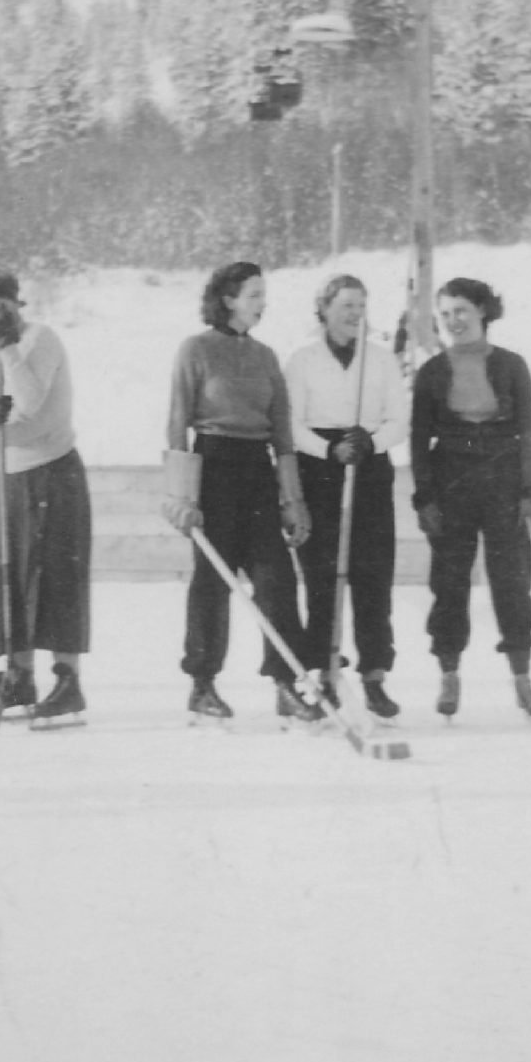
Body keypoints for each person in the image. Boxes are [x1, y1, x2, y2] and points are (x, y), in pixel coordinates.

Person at [160, 260, 316, 723]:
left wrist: (292, 501)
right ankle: (203, 684)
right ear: (228, 299)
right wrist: (181, 496)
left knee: (278, 581)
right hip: (213, 471)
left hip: (257, 473)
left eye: (263, 295)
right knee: (212, 582)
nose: (262, 303)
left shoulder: (267, 357)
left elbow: (282, 436)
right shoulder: (196, 350)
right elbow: (176, 425)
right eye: (253, 295)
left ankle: (286, 683)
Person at [409, 275, 531, 722]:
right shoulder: (432, 372)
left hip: (503, 482)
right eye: (446, 315)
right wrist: (425, 497)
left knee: (512, 583)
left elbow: (529, 431)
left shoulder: (511, 365)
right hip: (452, 484)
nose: (454, 322)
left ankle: (523, 681)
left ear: (483, 311)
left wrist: (529, 490)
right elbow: (418, 439)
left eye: (462, 312)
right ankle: (449, 676)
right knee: (449, 586)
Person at [0, 269, 93, 728]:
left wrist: (9, 350)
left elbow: (33, 400)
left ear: (14, 303)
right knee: (12, 573)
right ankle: (19, 675)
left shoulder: (40, 339)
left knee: (56, 573)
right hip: (11, 476)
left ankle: (67, 679)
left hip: (52, 469)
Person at [284, 272, 406, 717]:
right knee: (322, 575)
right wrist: (328, 449)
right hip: (320, 468)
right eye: (346, 306)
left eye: (361, 306)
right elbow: (291, 424)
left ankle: (374, 675)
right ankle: (326, 671)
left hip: (368, 465)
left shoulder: (380, 359)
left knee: (372, 575)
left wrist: (370, 443)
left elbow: (399, 421)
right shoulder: (302, 359)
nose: (355, 314)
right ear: (325, 310)